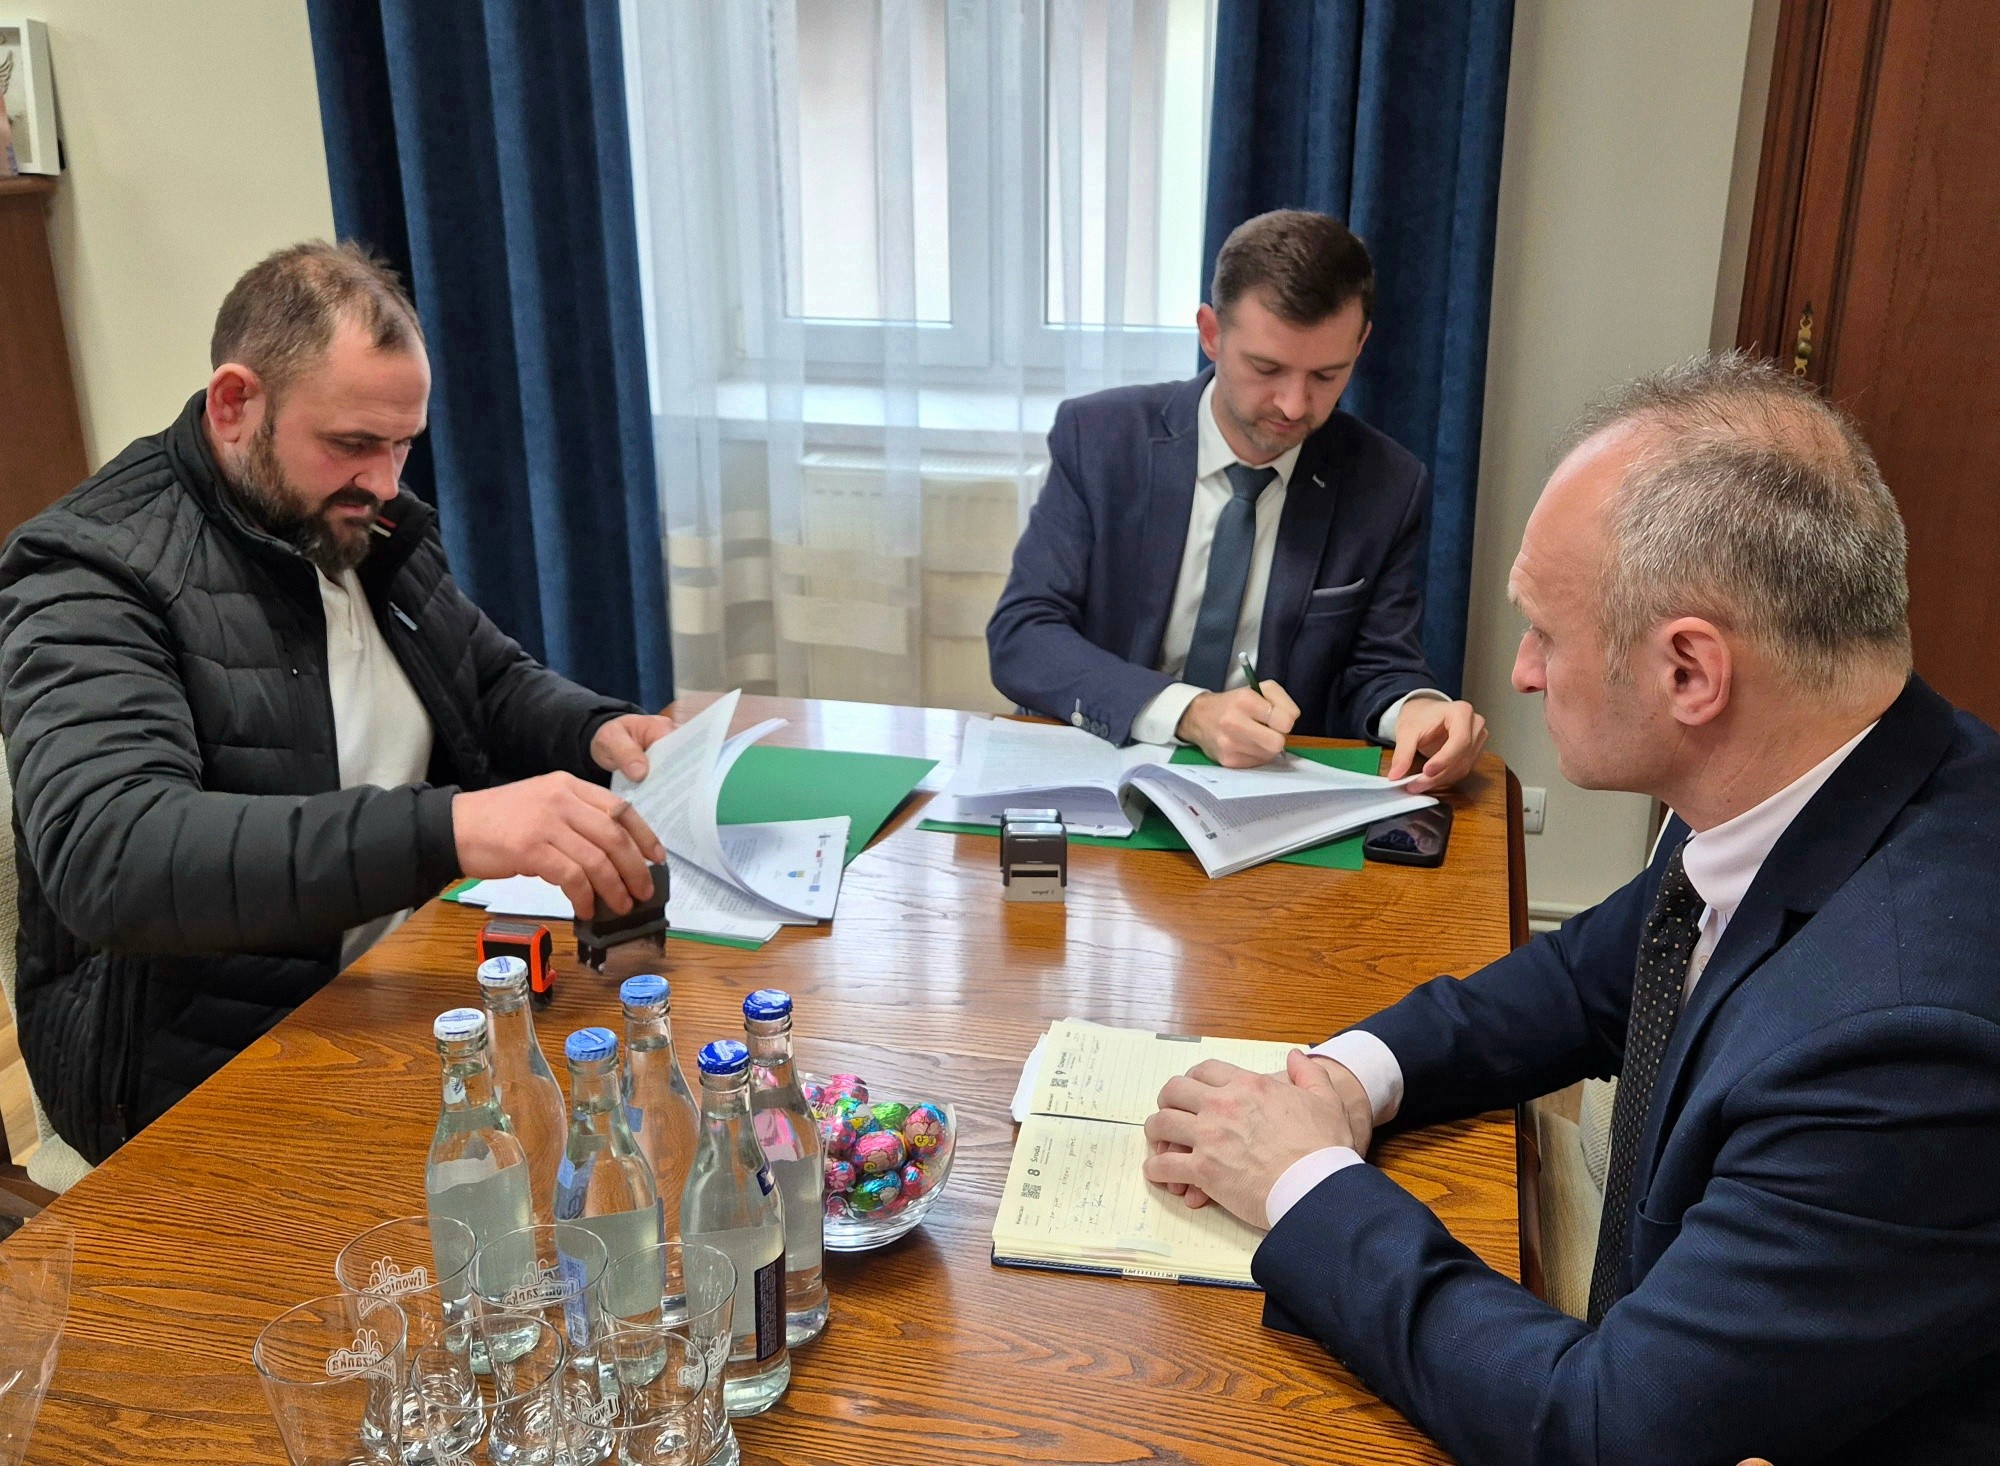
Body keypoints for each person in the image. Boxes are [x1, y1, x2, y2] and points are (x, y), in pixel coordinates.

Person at [1143, 354, 2000, 1462]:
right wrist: (1345, 1080)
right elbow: (1592, 977)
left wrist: (1300, 1182)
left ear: (1689, 671)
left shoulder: (1906, 1044)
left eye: (1545, 632)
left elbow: (1604, 1431)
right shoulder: (1818, 768)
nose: (1522, 672)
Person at [0, 242, 676, 1163]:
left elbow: (481, 678)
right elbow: (111, 854)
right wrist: (454, 828)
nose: (387, 481)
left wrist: (595, 729)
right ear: (235, 403)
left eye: (403, 445)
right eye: (354, 444)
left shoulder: (361, 520)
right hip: (204, 1067)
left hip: (406, 986)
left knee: (651, 1118)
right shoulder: (89, 568)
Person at [986, 209, 1486, 786]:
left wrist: (1416, 710)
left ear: (1361, 343)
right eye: (1266, 369)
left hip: (1265, 789)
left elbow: (1378, 666)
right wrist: (1189, 713)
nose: (1294, 405)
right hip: (1098, 768)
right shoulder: (1101, 439)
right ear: (1211, 333)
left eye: (1326, 376)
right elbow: (1024, 635)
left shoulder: (1385, 483)